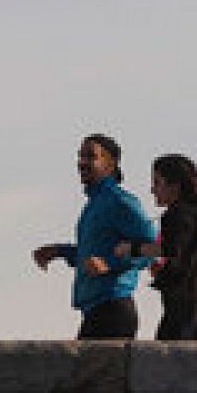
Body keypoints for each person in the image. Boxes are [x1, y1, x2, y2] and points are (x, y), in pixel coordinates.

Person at [32, 134, 157, 340]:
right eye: (80, 156)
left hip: (114, 309)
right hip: (95, 311)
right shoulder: (95, 203)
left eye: (91, 156)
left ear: (111, 164)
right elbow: (91, 254)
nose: (82, 163)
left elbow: (152, 247)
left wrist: (109, 263)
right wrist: (58, 251)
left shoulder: (120, 201)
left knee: (86, 372)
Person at [114, 153, 197, 341]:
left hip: (187, 307)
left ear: (174, 186)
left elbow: (170, 248)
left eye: (157, 182)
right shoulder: (192, 215)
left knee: (172, 362)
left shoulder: (178, 215)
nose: (153, 189)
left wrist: (131, 248)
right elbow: (185, 255)